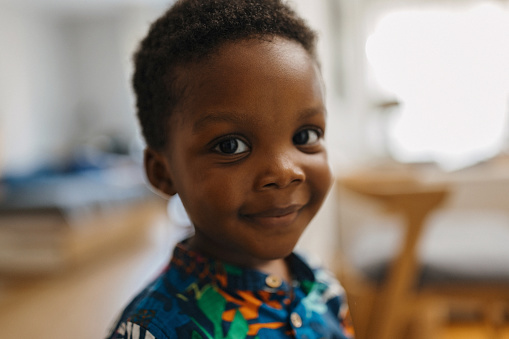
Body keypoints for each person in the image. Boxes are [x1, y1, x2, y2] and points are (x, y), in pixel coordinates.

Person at [107, 0, 353, 338]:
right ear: (163, 173)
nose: (284, 172)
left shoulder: (319, 284)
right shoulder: (154, 329)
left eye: (305, 136)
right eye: (230, 146)